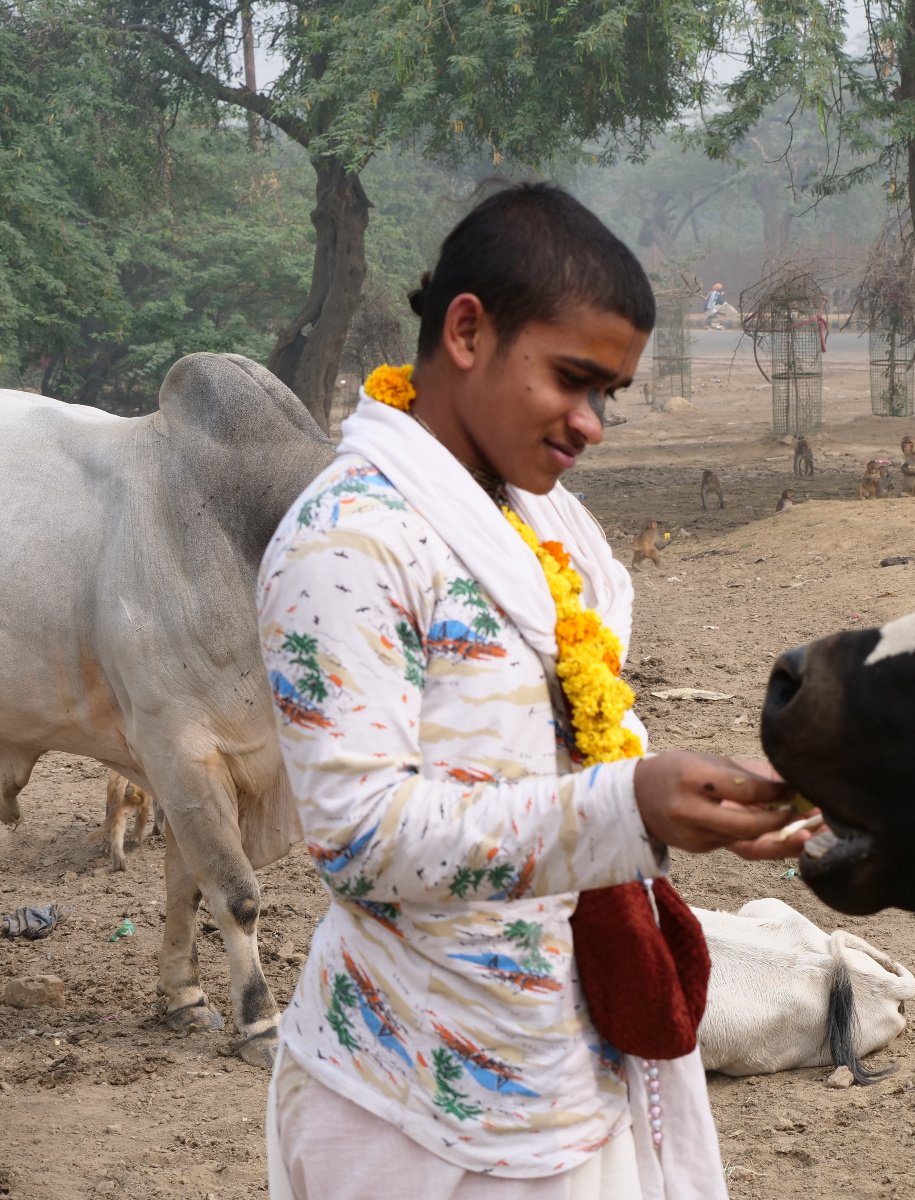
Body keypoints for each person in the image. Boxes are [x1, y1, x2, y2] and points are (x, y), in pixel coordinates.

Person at [257, 184, 809, 1200]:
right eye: (572, 380)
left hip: (571, 1060)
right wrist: (626, 809)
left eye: (611, 395)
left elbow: (572, 748)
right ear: (466, 329)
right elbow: (357, 836)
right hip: (417, 1095)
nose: (593, 424)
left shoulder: (544, 526)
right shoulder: (345, 542)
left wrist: (711, 808)